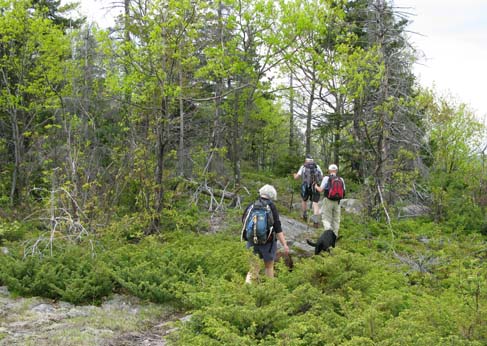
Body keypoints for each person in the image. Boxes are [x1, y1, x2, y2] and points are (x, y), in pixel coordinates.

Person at [242, 184, 289, 283]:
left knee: (253, 268)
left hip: (251, 241)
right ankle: (270, 289)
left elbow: (244, 221)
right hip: (268, 243)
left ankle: (246, 290)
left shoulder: (252, 205)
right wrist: (284, 244)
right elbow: (277, 227)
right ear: (272, 195)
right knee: (269, 266)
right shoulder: (271, 207)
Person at [314, 164, 345, 238]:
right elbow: (344, 191)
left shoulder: (326, 178)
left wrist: (315, 186)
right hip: (337, 202)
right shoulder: (341, 179)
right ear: (336, 170)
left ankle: (328, 234)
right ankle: (335, 236)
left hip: (328, 200)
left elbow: (320, 190)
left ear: (329, 170)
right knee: (336, 219)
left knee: (326, 218)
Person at [293, 154, 323, 227]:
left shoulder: (303, 166)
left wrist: (294, 175)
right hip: (315, 186)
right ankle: (315, 221)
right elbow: (321, 176)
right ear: (312, 160)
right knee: (315, 203)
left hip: (305, 186)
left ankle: (304, 215)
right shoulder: (317, 166)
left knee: (304, 200)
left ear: (306, 160)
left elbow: (296, 177)